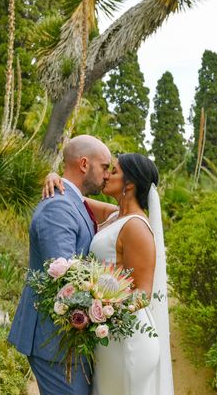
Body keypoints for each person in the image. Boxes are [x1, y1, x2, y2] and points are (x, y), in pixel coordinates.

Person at [43, 152, 174, 395]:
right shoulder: (115, 215)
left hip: (129, 340)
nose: (106, 176)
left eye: (113, 171)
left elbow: (144, 293)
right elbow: (74, 195)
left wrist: (103, 309)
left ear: (130, 184)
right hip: (109, 337)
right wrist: (53, 176)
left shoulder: (136, 226)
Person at [8, 135, 112, 395]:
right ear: (85, 164)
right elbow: (65, 282)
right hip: (52, 341)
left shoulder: (73, 201)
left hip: (66, 340)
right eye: (105, 167)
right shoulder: (59, 208)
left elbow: (123, 212)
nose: (108, 175)